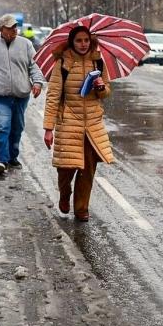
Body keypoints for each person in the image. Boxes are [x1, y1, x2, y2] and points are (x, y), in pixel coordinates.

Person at [42, 25, 114, 221]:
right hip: (68, 122)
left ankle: (82, 208)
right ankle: (65, 194)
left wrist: (101, 88)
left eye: (86, 40)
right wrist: (49, 128)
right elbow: (53, 96)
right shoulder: (63, 63)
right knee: (65, 169)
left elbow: (106, 91)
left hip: (92, 123)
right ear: (72, 42)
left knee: (88, 168)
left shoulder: (98, 62)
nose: (83, 44)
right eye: (78, 41)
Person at [0, 14, 46, 175]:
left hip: (21, 95)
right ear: (1, 30)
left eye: (15, 27)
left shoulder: (26, 44)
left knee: (17, 127)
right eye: (10, 27)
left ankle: (13, 157)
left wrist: (37, 82)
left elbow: (34, 66)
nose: (14, 30)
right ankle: (2, 160)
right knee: (2, 126)